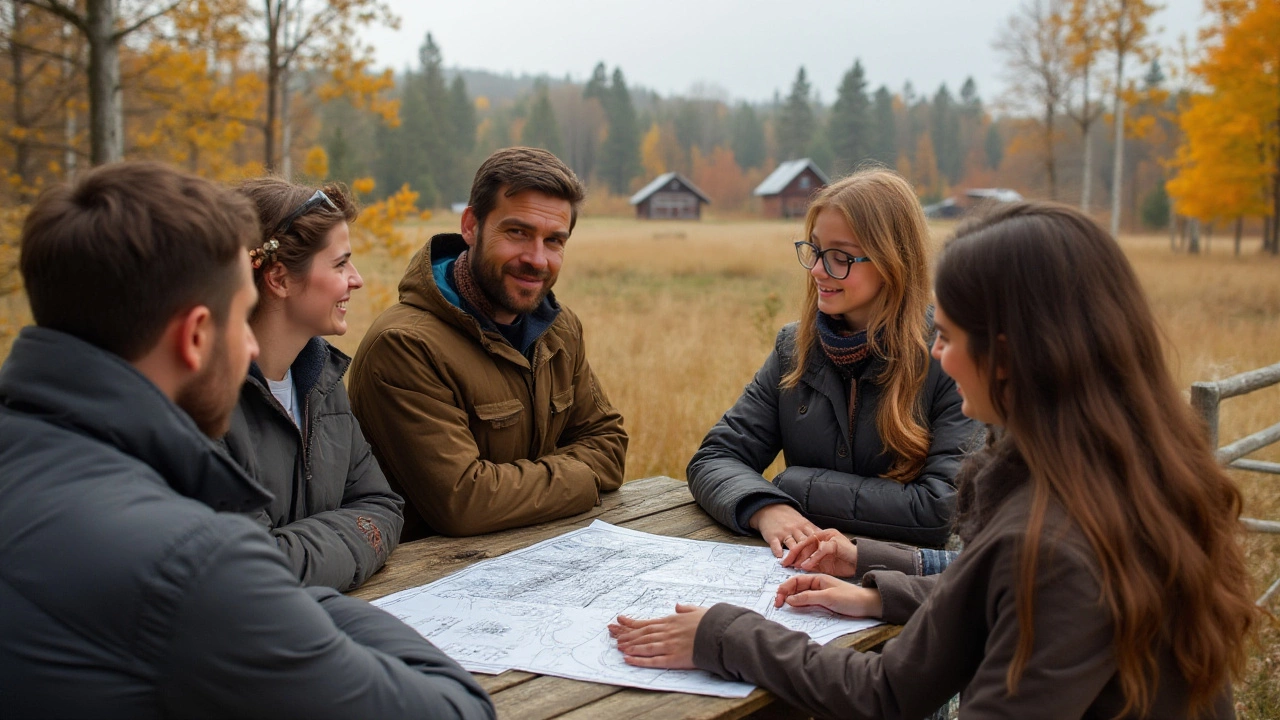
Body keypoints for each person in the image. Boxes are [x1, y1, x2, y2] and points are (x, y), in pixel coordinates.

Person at [610, 202, 1257, 718]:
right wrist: (875, 584)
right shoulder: (1128, 476)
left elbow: (891, 691)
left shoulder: (1050, 540)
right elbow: (995, 596)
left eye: (947, 336)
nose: (939, 355)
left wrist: (725, 634)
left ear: (1009, 354)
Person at [0, 161, 493, 718]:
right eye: (239, 318)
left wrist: (273, 579)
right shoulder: (195, 564)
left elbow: (380, 504)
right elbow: (458, 710)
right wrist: (274, 589)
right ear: (194, 336)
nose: (253, 350)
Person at [688, 169, 979, 559]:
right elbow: (715, 457)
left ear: (893, 260)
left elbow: (941, 508)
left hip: (904, 591)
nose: (817, 270)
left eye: (840, 257)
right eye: (814, 250)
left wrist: (794, 487)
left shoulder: (948, 358)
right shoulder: (795, 349)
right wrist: (765, 507)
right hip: (804, 584)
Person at [348, 147, 627, 540]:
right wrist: (583, 477)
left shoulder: (559, 330)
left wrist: (513, 491)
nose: (537, 259)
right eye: (518, 232)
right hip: (428, 583)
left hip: (540, 562)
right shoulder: (405, 346)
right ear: (470, 226)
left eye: (554, 241)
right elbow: (464, 503)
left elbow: (610, 445)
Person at [220, 178, 403, 591]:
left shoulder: (322, 381)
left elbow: (383, 505)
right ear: (280, 278)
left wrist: (291, 554)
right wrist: (351, 537)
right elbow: (252, 573)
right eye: (340, 264)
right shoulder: (208, 407)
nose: (355, 280)